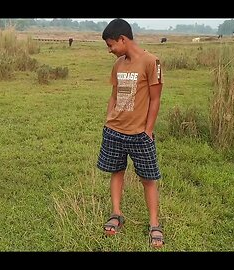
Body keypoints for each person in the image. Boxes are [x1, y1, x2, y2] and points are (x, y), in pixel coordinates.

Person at [97, 18, 164, 248]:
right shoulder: (118, 65)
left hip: (139, 135)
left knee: (148, 179)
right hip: (114, 130)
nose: (110, 50)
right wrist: (108, 120)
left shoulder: (151, 62)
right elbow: (114, 95)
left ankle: (154, 224)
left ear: (122, 39)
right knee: (116, 172)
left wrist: (148, 130)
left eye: (111, 45)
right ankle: (116, 214)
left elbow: (155, 100)